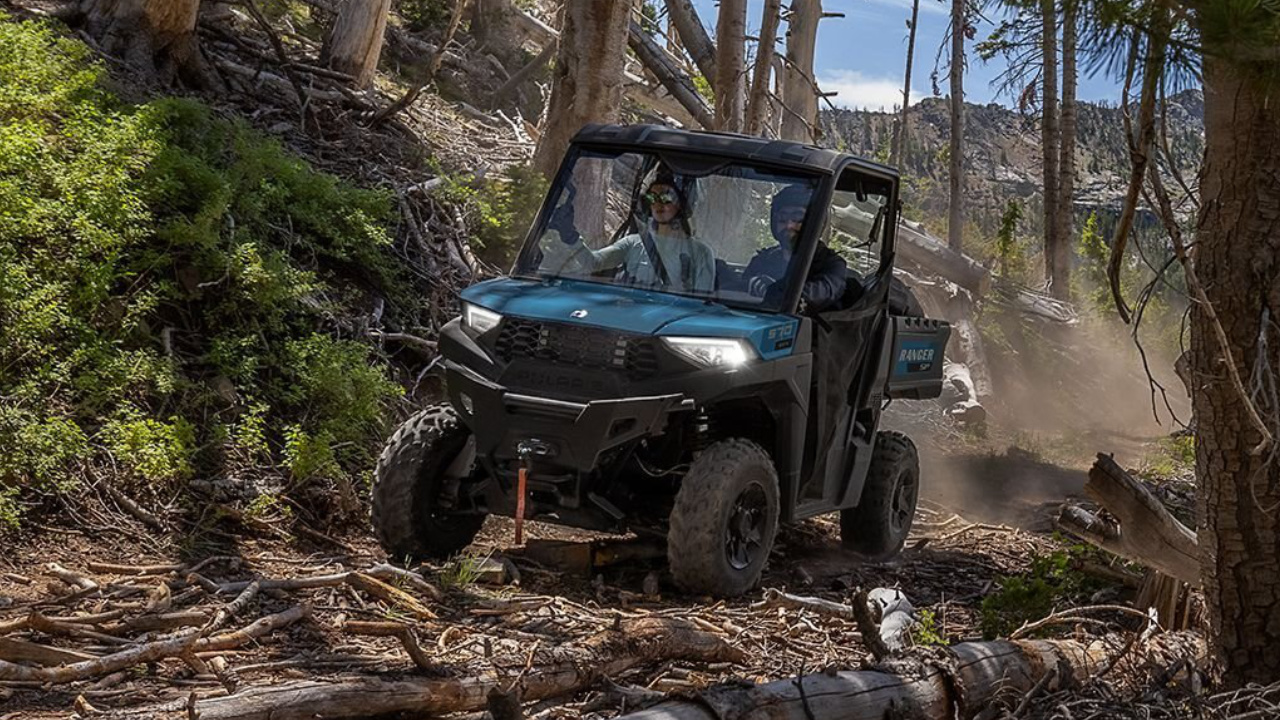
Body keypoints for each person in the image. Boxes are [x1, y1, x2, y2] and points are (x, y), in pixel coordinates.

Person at [543, 173, 716, 294]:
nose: (657, 204)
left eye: (665, 198)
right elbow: (593, 264)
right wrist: (570, 235)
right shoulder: (633, 243)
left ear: (681, 205)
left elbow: (701, 303)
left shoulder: (700, 252)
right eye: (652, 198)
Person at [743, 184, 848, 312]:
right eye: (782, 218)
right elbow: (735, 292)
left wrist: (774, 291)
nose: (789, 225)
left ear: (815, 222)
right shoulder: (763, 260)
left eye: (798, 218)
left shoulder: (831, 265)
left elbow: (819, 294)